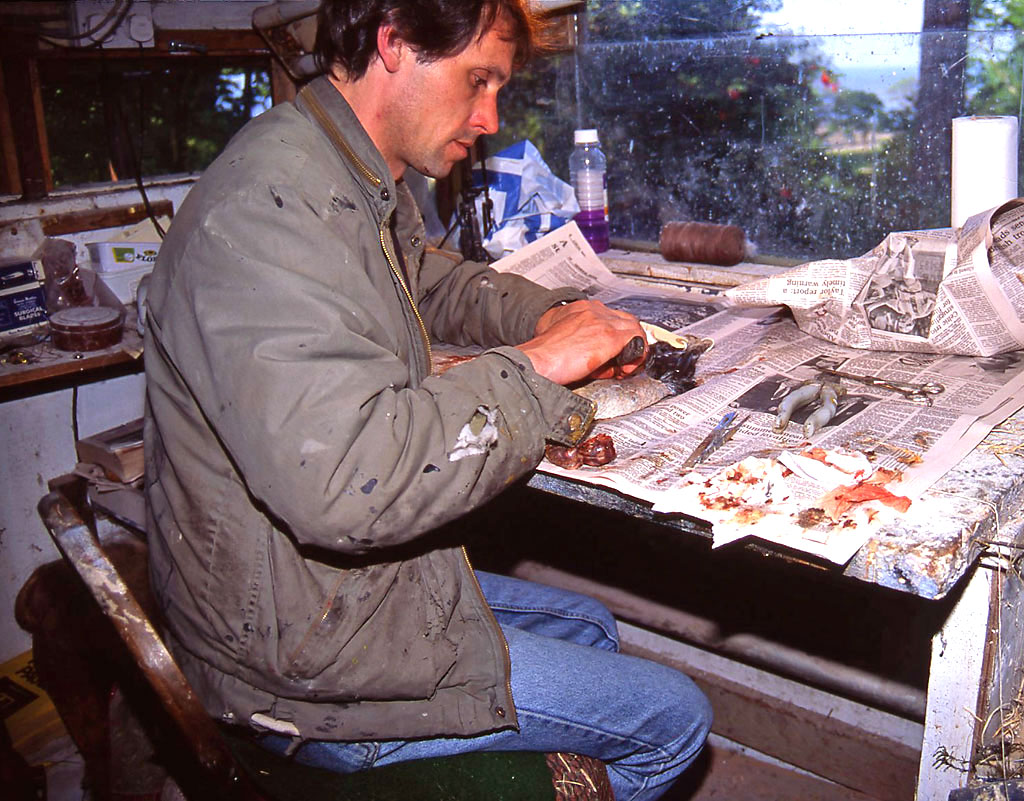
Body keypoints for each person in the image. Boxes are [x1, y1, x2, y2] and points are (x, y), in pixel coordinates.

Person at [142, 1, 711, 798]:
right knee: (677, 717)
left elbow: (423, 277)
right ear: (394, 41)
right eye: (478, 80)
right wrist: (541, 364)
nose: (490, 116)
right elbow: (349, 485)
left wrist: (541, 314)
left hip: (309, 593)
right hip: (296, 669)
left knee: (592, 625)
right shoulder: (268, 209)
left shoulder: (346, 169)